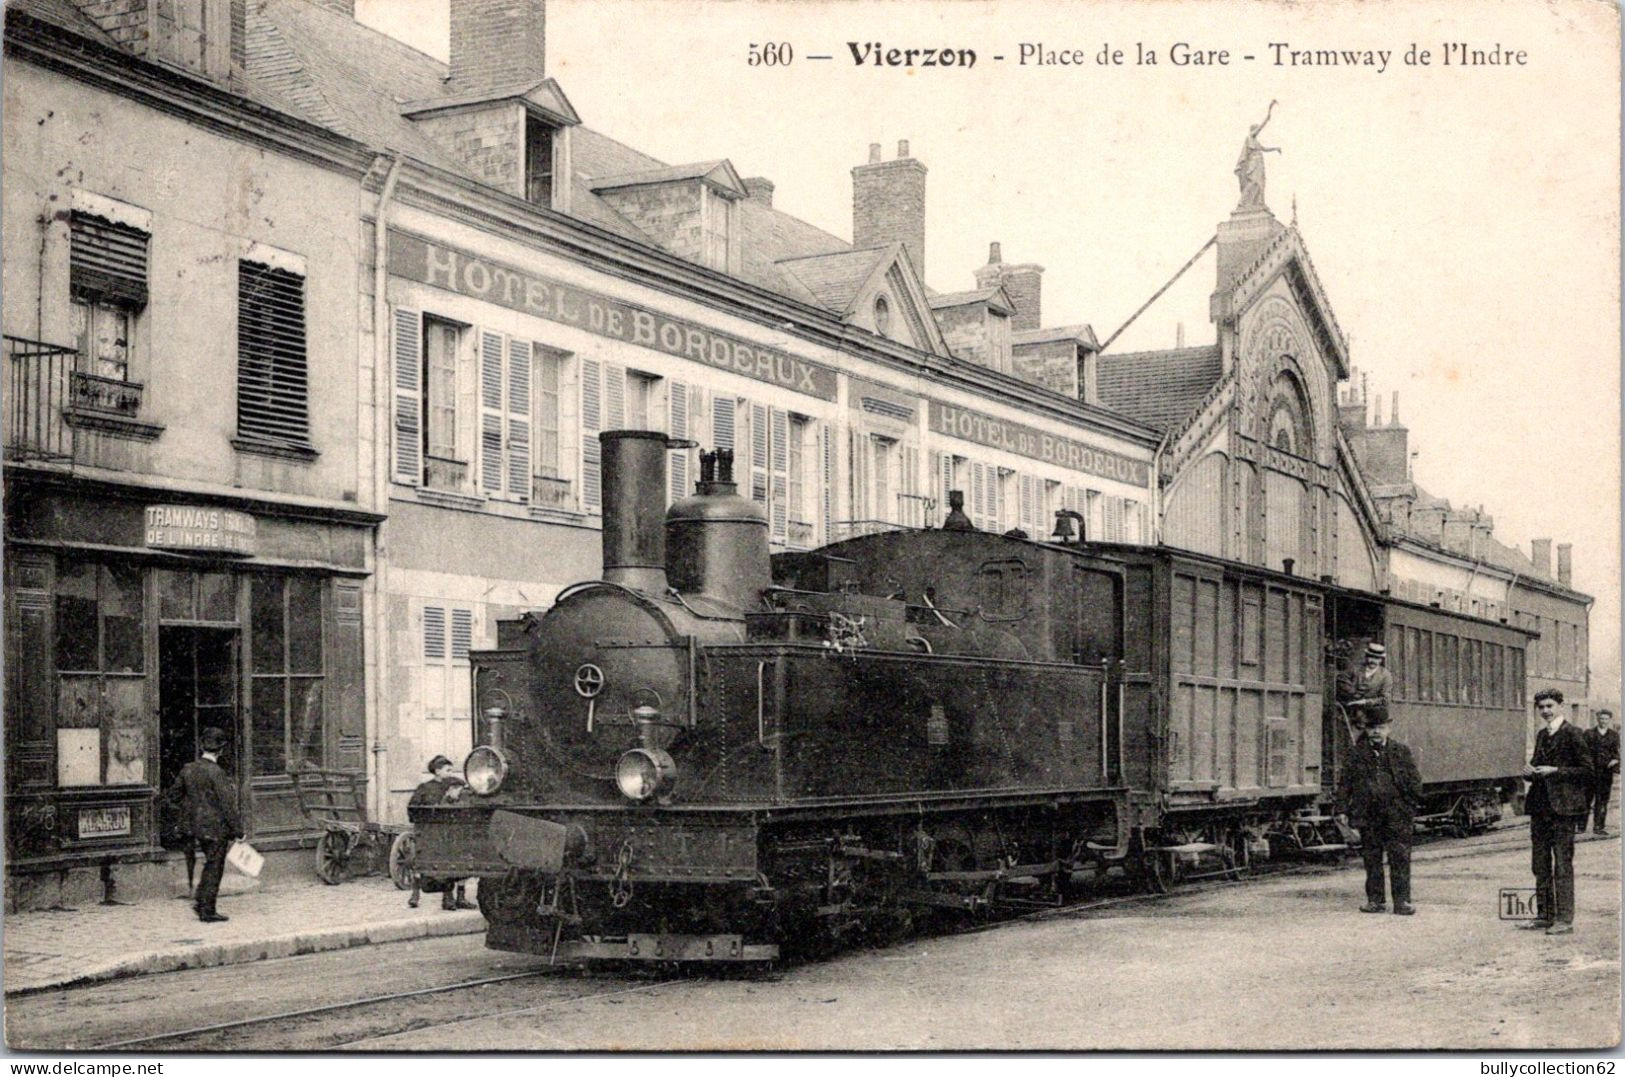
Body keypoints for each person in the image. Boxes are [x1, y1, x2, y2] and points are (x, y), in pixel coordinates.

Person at [1522, 688, 1594, 935]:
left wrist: (1556, 771)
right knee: (1539, 864)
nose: (1545, 711)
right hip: (1540, 809)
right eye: (1541, 707)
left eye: (1550, 706)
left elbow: (1587, 770)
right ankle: (1544, 916)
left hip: (1563, 810)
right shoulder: (1542, 734)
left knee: (1562, 865)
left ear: (1561, 706)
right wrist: (1529, 772)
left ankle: (1564, 920)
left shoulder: (1574, 734)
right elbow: (1537, 767)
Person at [1337, 714, 1423, 915]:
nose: (1376, 731)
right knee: (1372, 859)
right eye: (1372, 727)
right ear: (1366, 730)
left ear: (1388, 729)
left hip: (1396, 815)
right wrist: (1341, 809)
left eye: (1381, 727)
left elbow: (1415, 782)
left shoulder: (1401, 751)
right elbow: (1345, 784)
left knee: (1400, 857)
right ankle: (1375, 901)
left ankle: (1402, 902)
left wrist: (1407, 807)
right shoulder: (1356, 753)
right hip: (1369, 815)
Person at [179, 726, 242, 924]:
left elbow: (173, 795)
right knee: (214, 866)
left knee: (209, 864)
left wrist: (190, 811)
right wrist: (239, 831)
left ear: (202, 748)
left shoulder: (188, 769)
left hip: (194, 826)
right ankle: (207, 910)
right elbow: (228, 805)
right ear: (221, 750)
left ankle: (201, 902)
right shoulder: (217, 773)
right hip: (215, 828)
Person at [408, 755, 476, 911]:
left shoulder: (454, 784)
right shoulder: (424, 788)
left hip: (452, 831)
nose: (451, 772)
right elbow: (413, 809)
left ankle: (459, 897)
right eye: (448, 770)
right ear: (437, 771)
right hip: (431, 831)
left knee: (461, 862)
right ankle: (421, 895)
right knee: (429, 864)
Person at [1234, 100, 1282, 211]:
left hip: (1259, 164)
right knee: (1254, 182)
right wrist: (1268, 115)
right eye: (1256, 130)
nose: (1257, 131)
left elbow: (1265, 149)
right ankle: (1242, 203)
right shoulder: (1250, 138)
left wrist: (1275, 149)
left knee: (1260, 183)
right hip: (1254, 164)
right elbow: (1261, 127)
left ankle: (1258, 203)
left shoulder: (1256, 142)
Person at [1339, 642, 1392, 734]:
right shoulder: (1355, 668)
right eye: (1371, 657)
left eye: (1376, 658)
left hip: (1370, 714)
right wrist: (1352, 693)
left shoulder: (1385, 675)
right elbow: (1341, 679)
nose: (1373, 661)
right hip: (1348, 710)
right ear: (1366, 657)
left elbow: (1385, 699)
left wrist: (1365, 702)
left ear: (1380, 660)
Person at [1584, 709, 1619, 837]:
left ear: (1609, 720)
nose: (1603, 721)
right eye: (1601, 718)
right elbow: (1583, 752)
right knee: (1585, 799)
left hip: (1605, 773)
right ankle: (1581, 826)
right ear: (1597, 719)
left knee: (1602, 801)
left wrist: (1615, 760)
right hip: (1590, 772)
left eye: (1606, 719)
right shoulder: (1589, 734)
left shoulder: (1614, 735)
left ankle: (1599, 827)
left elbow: (1616, 752)